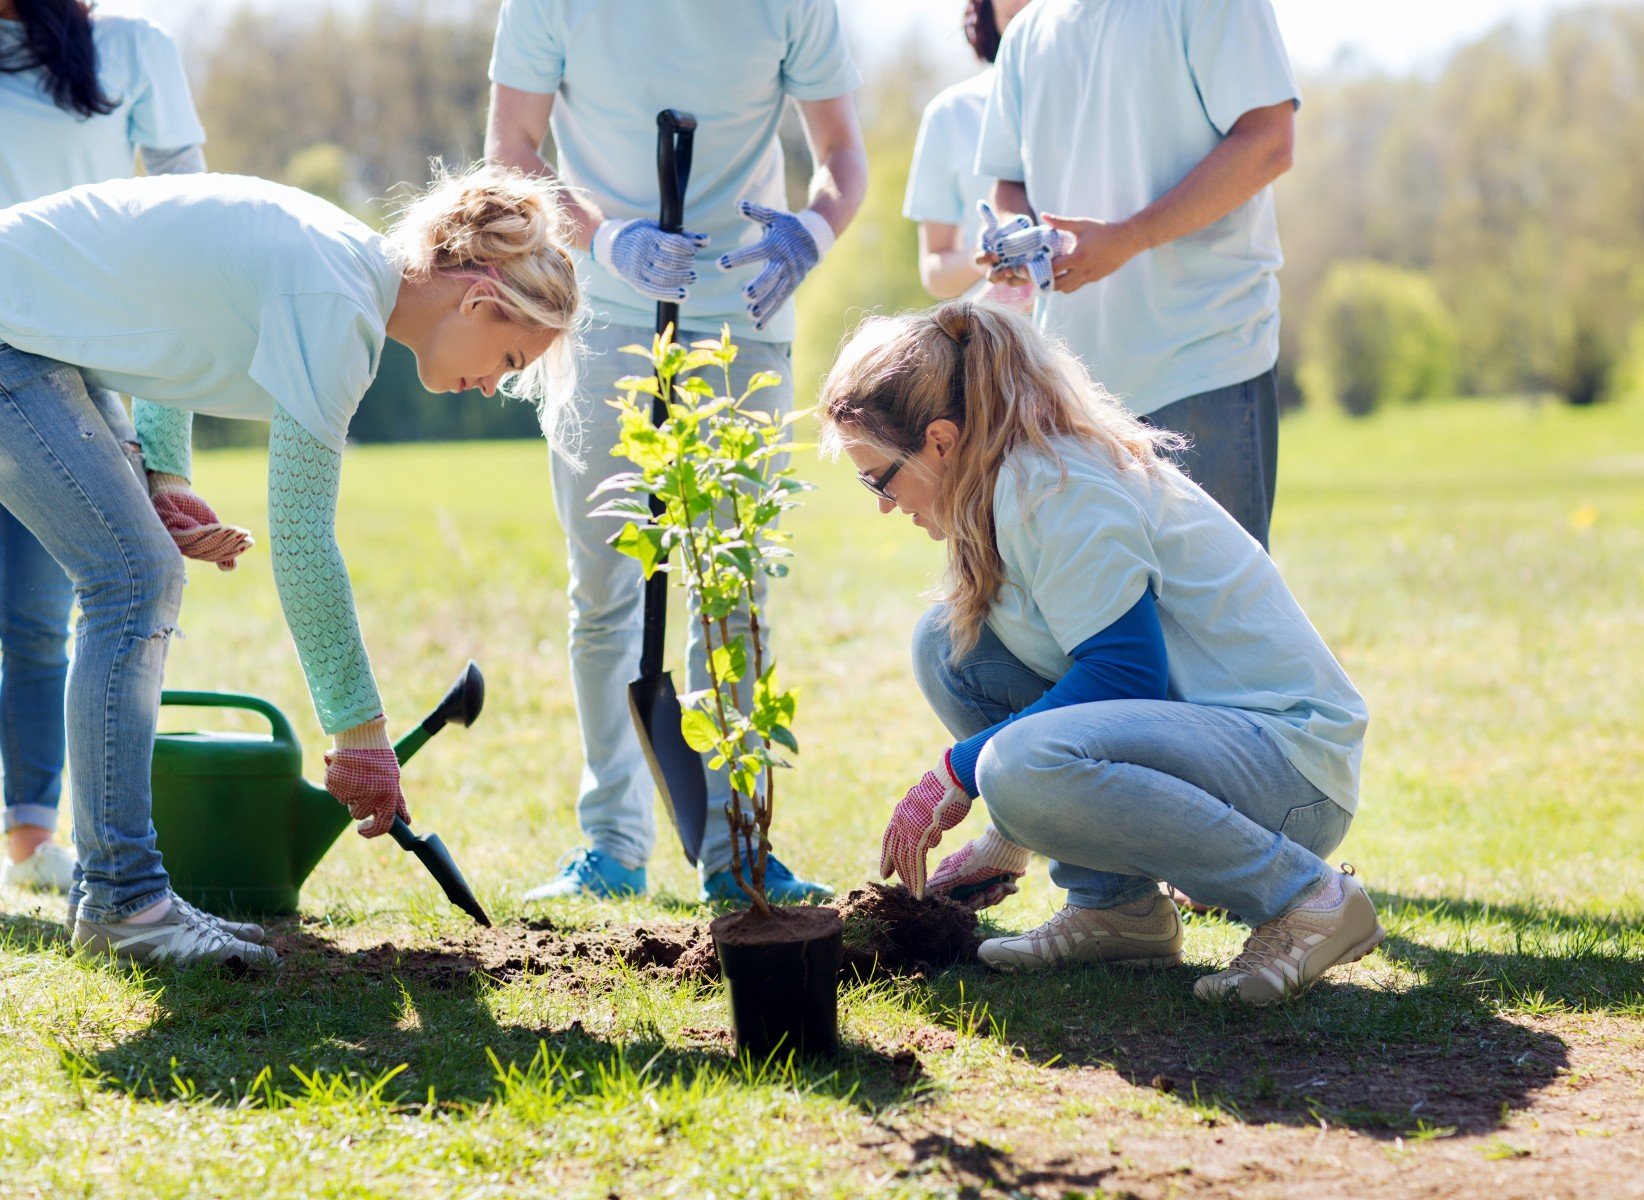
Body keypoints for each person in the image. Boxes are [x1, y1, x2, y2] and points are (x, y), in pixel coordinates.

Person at [0, 164, 581, 966]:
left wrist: (166, 481)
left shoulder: (342, 270)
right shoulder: (338, 306)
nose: (491, 386)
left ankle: (123, 896)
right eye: (510, 358)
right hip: (13, 334)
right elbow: (304, 540)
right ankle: (124, 904)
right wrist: (363, 737)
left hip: (34, 336)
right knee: (134, 579)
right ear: (480, 301)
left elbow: (177, 320)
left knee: (137, 573)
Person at [819, 300, 1379, 1006]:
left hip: (1292, 775)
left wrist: (963, 776)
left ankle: (1310, 899)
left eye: (879, 478)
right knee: (949, 647)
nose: (882, 503)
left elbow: (1123, 673)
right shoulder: (1008, 484)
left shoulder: (1053, 487)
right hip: (1213, 745)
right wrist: (1015, 827)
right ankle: (1117, 910)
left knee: (1009, 764)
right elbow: (1084, 678)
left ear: (938, 440)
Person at [486, 0, 867, 903]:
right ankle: (612, 843)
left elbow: (842, 155)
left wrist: (809, 232)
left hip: (745, 318)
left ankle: (737, 845)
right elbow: (511, 145)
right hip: (605, 316)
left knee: (733, 586)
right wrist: (607, 237)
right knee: (606, 592)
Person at [0, 0, 239, 896]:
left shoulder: (131, 50)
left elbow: (190, 228)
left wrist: (164, 454)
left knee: (37, 616)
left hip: (63, 357)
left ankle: (31, 838)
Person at [976, 0, 1299, 549]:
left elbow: (1268, 141)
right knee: (1098, 624)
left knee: (1214, 626)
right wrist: (1014, 236)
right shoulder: (1030, 30)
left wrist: (1129, 237)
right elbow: (1010, 182)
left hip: (1204, 360)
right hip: (1071, 387)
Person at [902, 0, 1033, 308]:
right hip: (1001, 346)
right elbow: (935, 271)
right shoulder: (950, 113)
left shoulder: (1105, 96)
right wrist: (990, 251)